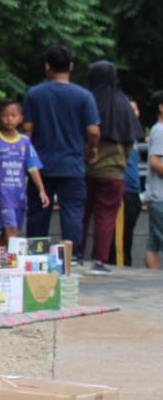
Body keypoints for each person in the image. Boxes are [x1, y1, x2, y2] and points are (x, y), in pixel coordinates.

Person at [23, 46, 100, 250]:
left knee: (38, 212)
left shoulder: (34, 94)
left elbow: (27, 130)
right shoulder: (84, 96)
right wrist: (92, 148)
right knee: (73, 212)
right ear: (71, 66)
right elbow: (93, 131)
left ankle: (35, 255)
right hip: (72, 164)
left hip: (40, 166)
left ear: (47, 67)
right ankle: (71, 257)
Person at [80, 60, 140, 273]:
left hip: (85, 170)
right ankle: (99, 261)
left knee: (81, 214)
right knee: (106, 217)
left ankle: (76, 255)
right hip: (113, 171)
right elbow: (131, 140)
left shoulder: (86, 100)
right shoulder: (123, 103)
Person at [0, 100, 50, 246]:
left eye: (13, 115)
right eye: (4, 115)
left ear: (20, 118)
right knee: (12, 229)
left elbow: (32, 168)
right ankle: (11, 263)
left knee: (7, 231)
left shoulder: (25, 142)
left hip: (19, 193)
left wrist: (42, 190)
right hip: (2, 193)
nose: (9, 119)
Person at [117, 100, 143, 267]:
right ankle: (119, 266)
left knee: (128, 236)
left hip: (134, 190)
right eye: (129, 109)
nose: (133, 112)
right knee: (120, 236)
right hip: (121, 189)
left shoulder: (135, 138)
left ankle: (127, 266)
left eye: (135, 108)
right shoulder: (118, 133)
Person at [144, 90, 163, 271]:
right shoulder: (160, 130)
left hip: (157, 196)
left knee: (153, 243)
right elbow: (155, 162)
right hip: (160, 196)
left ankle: (155, 279)